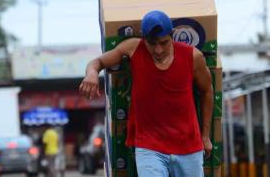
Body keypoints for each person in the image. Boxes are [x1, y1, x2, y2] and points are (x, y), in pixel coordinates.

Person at [79, 10, 213, 177]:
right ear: (143, 38)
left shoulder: (193, 56)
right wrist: (92, 73)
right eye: (152, 43)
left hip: (188, 146)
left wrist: (205, 136)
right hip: (149, 147)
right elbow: (97, 62)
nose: (158, 50)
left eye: (163, 43)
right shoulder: (134, 48)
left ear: (172, 35)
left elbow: (207, 91)